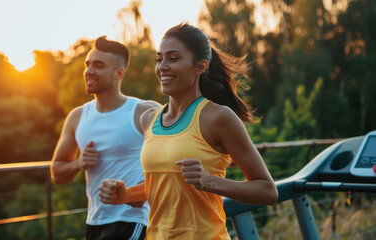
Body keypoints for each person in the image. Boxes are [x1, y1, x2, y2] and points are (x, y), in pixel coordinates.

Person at [98, 23, 278, 239]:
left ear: (200, 66)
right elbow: (165, 185)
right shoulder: (149, 120)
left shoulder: (218, 117)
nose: (162, 66)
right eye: (159, 59)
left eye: (173, 58)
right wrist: (126, 194)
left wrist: (208, 181)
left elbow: (268, 191)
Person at [50, 36, 160, 240]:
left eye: (98, 65)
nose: (89, 71)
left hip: (134, 219)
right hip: (95, 221)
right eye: (88, 64)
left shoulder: (143, 112)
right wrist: (78, 163)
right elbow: (57, 173)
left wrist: (135, 194)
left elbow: (172, 163)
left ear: (119, 74)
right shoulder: (77, 117)